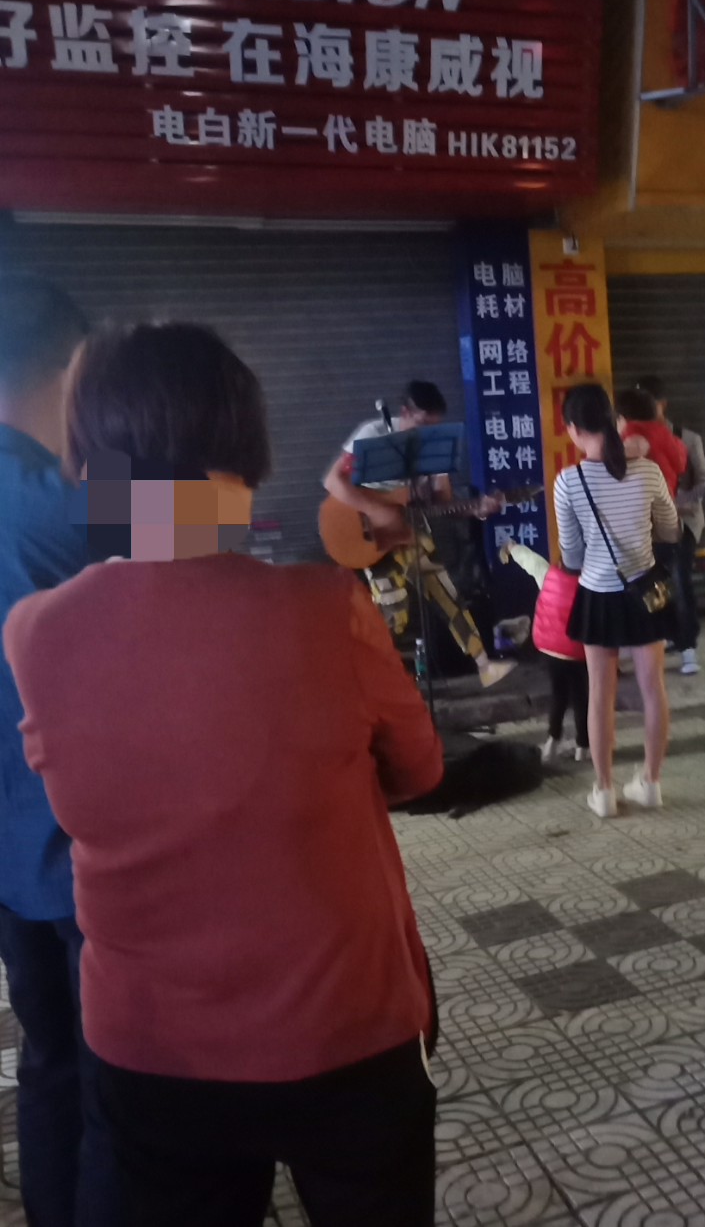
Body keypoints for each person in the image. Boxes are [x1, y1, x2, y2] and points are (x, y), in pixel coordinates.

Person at [4, 322, 444, 1224]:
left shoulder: (37, 633)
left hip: (152, 1052)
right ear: (245, 457)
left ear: (88, 462)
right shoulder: (327, 607)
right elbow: (419, 768)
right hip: (346, 1028)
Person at [0, 275, 125, 1227]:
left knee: (44, 1063)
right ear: (76, 368)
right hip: (83, 851)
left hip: (10, 859)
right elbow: (220, 514)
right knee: (112, 1080)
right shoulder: (72, 502)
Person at [323, 378, 513, 690]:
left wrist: (474, 508)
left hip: (410, 531)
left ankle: (484, 664)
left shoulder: (435, 447)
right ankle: (369, 679)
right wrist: (375, 509)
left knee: (447, 595)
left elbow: (442, 503)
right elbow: (333, 481)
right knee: (393, 613)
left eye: (433, 426)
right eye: (423, 424)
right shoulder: (373, 433)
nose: (427, 432)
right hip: (374, 538)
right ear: (405, 413)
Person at [554, 384, 680, 819]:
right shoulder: (647, 471)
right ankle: (651, 783)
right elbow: (671, 528)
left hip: (598, 595)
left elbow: (572, 556)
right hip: (644, 590)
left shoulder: (568, 482)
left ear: (573, 429)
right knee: (653, 688)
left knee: (599, 694)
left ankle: (605, 791)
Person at [636, 374, 705, 676]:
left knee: (680, 579)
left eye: (648, 403)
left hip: (683, 520)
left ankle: (688, 646)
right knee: (654, 584)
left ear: (662, 404)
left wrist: (679, 501)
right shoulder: (631, 440)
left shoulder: (687, 438)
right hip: (648, 524)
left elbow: (703, 482)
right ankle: (666, 635)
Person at [500, 539, 590, 764]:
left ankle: (551, 744)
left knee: (559, 695)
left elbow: (529, 560)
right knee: (581, 697)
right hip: (577, 651)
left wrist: (511, 547)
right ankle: (582, 747)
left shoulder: (548, 574)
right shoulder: (591, 583)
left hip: (551, 649)